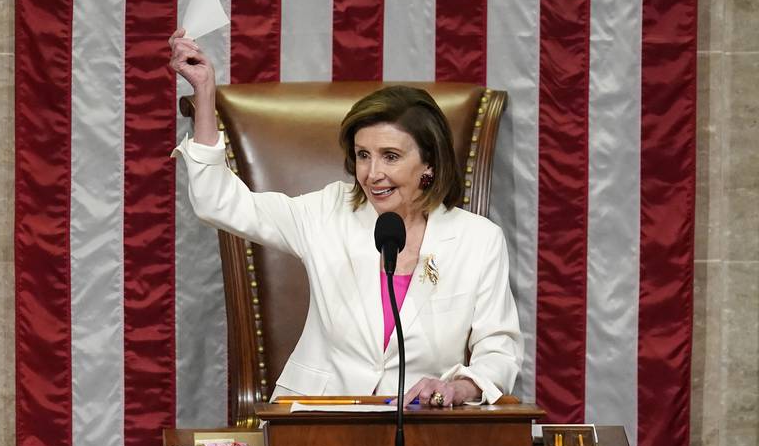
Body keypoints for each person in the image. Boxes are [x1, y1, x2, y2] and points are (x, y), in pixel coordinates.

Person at [169, 28, 523, 407]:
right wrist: (205, 96)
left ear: (429, 165)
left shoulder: (478, 240)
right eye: (362, 155)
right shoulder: (327, 212)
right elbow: (218, 202)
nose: (372, 174)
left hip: (419, 427)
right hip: (318, 423)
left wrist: (461, 387)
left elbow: (498, 350)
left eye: (390, 156)